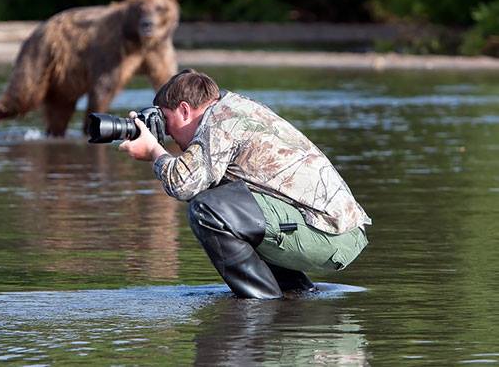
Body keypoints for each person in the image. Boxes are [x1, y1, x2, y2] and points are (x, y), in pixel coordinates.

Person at [119, 69, 371, 299]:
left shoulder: (220, 121)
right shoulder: (232, 107)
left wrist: (154, 150)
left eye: (165, 120)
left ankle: (262, 304)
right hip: (334, 230)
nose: (167, 133)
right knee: (224, 201)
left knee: (207, 209)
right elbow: (198, 180)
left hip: (331, 233)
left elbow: (182, 184)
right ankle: (294, 294)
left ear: (185, 110)